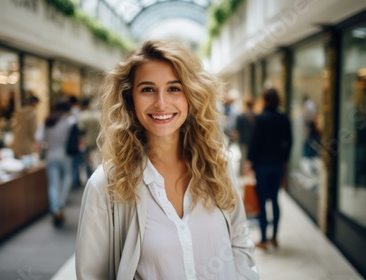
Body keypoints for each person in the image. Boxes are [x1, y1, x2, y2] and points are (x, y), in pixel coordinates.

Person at [75, 40, 258, 279]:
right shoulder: (105, 185)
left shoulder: (217, 166)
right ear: (130, 99)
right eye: (148, 89)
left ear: (191, 95)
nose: (161, 103)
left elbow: (240, 241)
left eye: (174, 88)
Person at [247, 88, 292, 250]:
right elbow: (289, 141)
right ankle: (275, 237)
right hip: (277, 165)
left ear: (264, 100)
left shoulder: (261, 119)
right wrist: (284, 161)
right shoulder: (283, 118)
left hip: (262, 166)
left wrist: (249, 161)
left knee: (262, 200)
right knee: (274, 199)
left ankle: (264, 239)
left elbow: (255, 142)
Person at [43, 99, 73, 226]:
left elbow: (41, 138)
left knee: (53, 184)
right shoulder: (68, 121)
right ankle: (60, 203)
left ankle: (55, 209)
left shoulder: (49, 121)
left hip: (50, 154)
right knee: (68, 178)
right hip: (65, 154)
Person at [77, 97, 101, 178]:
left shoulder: (82, 116)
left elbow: (81, 131)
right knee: (97, 162)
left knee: (87, 162)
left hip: (86, 142)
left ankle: (90, 178)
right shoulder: (98, 115)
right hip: (98, 142)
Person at [233, 98, 255, 176]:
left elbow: (237, 130)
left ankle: (243, 172)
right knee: (251, 157)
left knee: (243, 157)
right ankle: (249, 172)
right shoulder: (256, 116)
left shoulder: (241, 116)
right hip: (253, 140)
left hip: (243, 140)